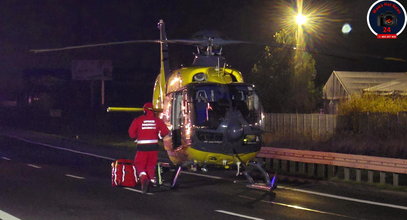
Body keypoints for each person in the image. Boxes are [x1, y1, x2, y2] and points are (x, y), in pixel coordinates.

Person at [128, 102, 169, 193]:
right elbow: (165, 131)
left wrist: (137, 136)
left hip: (142, 146)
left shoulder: (138, 120)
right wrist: (159, 135)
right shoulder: (157, 120)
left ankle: (143, 178)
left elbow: (131, 133)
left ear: (144, 110)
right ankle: (152, 179)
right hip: (153, 146)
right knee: (151, 164)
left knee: (139, 164)